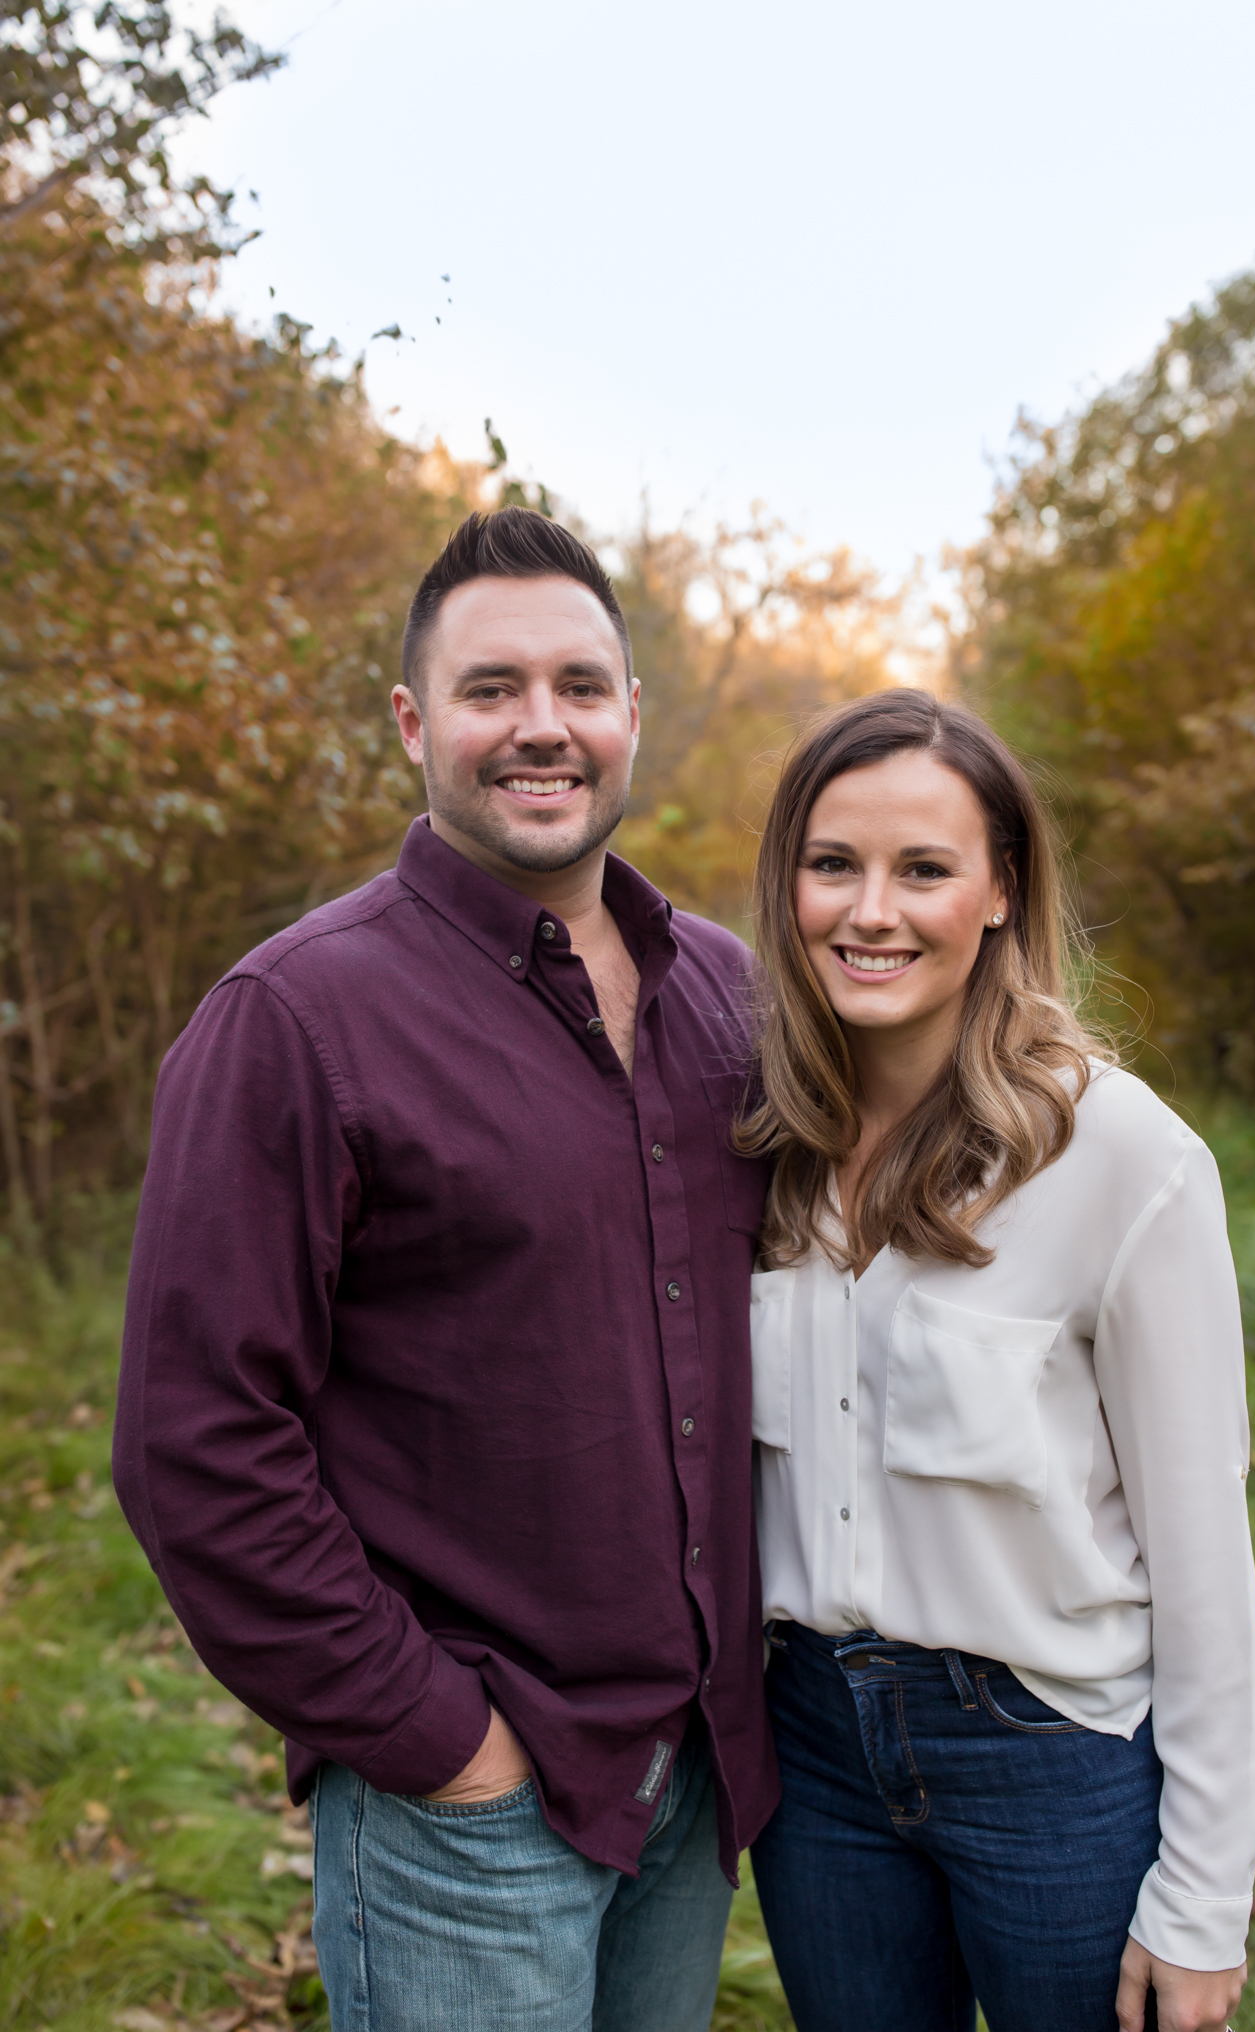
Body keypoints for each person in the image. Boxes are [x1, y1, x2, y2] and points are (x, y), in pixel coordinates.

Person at [113, 508, 779, 2032]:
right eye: (491, 690)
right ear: (415, 723)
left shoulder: (729, 999)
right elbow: (192, 1443)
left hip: (692, 1781)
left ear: (628, 717)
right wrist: (438, 1739)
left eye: (579, 687)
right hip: (468, 1810)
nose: (540, 727)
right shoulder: (296, 1017)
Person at [736, 688, 1255, 2032]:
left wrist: (1202, 1902)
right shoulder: (755, 1146)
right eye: (831, 865)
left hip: (1047, 1751)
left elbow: (1204, 1554)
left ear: (997, 892)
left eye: (923, 869)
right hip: (811, 1748)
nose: (871, 911)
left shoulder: (1122, 1158)